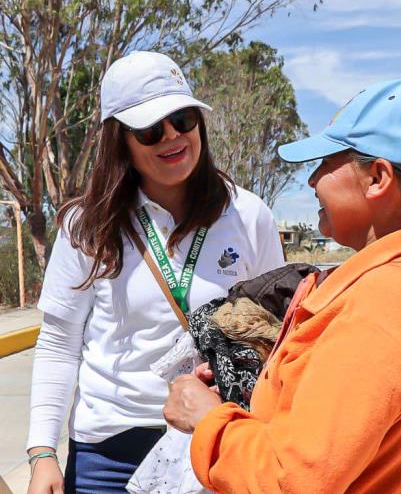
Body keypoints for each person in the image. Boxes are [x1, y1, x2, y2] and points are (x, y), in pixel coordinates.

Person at [164, 77, 401, 493]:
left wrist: (208, 420)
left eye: (325, 162)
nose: (311, 180)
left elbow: (295, 479)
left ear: (377, 177)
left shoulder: (379, 306)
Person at [26, 50, 285, 494]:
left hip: (212, 438)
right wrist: (42, 454)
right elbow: (58, 346)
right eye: (149, 129)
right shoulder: (86, 226)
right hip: (108, 453)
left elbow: (276, 337)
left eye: (183, 119)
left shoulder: (247, 215)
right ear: (120, 140)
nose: (172, 136)